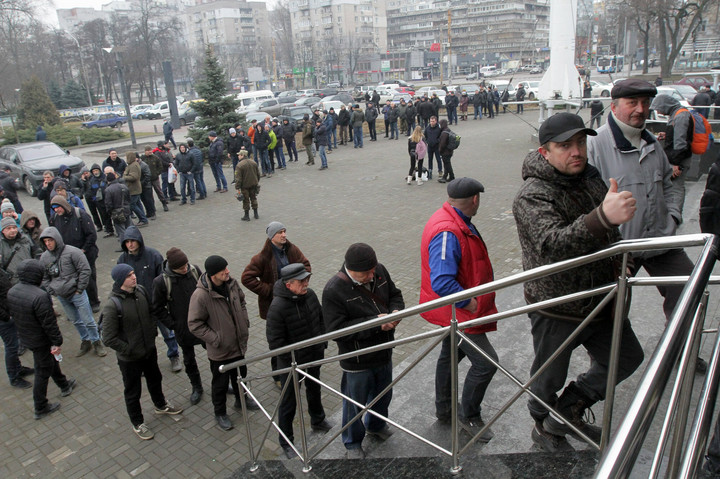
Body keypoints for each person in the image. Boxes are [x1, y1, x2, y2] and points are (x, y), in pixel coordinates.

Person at [513, 112, 644, 452]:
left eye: (581, 143)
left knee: (626, 357)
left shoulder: (591, 177)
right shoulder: (532, 195)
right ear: (545, 152)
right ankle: (542, 422)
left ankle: (567, 409)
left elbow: (607, 234)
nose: (577, 152)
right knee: (548, 377)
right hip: (558, 307)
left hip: (601, 298)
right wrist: (603, 217)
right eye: (565, 146)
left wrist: (619, 259)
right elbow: (551, 244)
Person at [587, 79, 705, 371]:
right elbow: (585, 201)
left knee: (690, 290)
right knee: (611, 311)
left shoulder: (652, 142)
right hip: (620, 248)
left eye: (644, 103)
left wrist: (674, 217)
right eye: (632, 103)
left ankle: (679, 350)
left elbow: (671, 183)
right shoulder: (596, 145)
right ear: (614, 106)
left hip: (659, 240)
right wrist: (606, 244)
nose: (640, 110)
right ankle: (602, 368)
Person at [420, 178, 499, 442]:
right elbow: (441, 281)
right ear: (475, 199)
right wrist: (470, 303)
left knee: (449, 355)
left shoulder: (453, 220)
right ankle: (469, 415)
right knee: (486, 363)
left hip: (455, 314)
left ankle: (444, 410)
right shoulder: (448, 230)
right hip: (460, 314)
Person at [322, 243, 405, 459]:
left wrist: (396, 310)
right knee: (354, 405)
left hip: (383, 351)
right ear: (350, 269)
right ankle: (352, 443)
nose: (371, 276)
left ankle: (376, 425)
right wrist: (375, 324)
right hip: (357, 362)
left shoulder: (379, 271)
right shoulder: (333, 290)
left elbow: (395, 295)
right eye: (365, 273)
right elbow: (336, 330)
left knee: (383, 396)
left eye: (373, 270)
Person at [102, 264, 183, 440]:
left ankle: (160, 405)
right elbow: (108, 338)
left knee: (155, 379)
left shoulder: (141, 291)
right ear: (120, 280)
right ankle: (137, 422)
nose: (134, 277)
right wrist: (128, 349)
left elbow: (152, 312)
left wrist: (152, 330)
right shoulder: (112, 305)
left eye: (133, 273)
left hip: (148, 350)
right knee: (133, 391)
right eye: (129, 275)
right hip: (130, 359)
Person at [266, 263, 332, 458]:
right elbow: (276, 344)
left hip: (314, 355)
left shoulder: (309, 295)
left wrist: (322, 342)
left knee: (314, 389)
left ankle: (318, 420)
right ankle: (286, 442)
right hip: (292, 365)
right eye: (302, 281)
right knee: (288, 403)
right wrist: (294, 360)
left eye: (307, 279)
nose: (306, 283)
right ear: (288, 284)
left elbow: (320, 319)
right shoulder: (277, 308)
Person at [188, 255, 259, 431]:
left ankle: (241, 399)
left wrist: (244, 321)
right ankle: (220, 412)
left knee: (240, 376)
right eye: (223, 270)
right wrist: (215, 339)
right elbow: (194, 324)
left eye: (226, 267)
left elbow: (241, 301)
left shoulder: (232, 284)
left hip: (238, 345)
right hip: (220, 350)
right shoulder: (201, 296)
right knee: (219, 384)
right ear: (213, 275)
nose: (228, 271)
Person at [242, 222, 310, 384]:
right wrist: (269, 290)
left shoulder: (292, 249)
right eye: (280, 232)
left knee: (295, 335)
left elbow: (306, 264)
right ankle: (278, 375)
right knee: (278, 340)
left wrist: (301, 282)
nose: (284, 235)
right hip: (275, 305)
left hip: (295, 301)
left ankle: (298, 367)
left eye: (285, 231)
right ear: (272, 236)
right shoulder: (262, 257)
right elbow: (246, 278)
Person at [8, 259, 76, 419]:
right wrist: (56, 342)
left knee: (49, 362)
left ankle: (63, 384)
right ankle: (40, 406)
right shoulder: (40, 296)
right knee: (42, 370)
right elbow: (49, 323)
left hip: (27, 337)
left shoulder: (13, 291)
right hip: (40, 340)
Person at [117, 225, 182, 372]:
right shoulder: (122, 259)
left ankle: (174, 355)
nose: (130, 244)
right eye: (127, 242)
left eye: (133, 241)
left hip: (156, 305)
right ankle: (144, 362)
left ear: (139, 240)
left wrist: (163, 301)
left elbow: (163, 279)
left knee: (167, 332)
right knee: (141, 336)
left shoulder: (153, 255)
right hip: (137, 306)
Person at [38, 227, 105, 357]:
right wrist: (53, 291)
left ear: (56, 239)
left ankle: (96, 341)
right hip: (62, 296)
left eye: (50, 240)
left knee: (88, 320)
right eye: (45, 241)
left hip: (77, 293)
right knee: (76, 320)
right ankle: (85, 340)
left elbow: (85, 270)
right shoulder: (44, 258)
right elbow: (44, 277)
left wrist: (79, 289)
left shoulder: (73, 252)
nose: (48, 244)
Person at [152, 248, 205, 406]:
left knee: (215, 354)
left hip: (203, 325)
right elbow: (157, 309)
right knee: (189, 360)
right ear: (172, 267)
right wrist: (174, 325)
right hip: (183, 329)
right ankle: (196, 387)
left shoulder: (195, 271)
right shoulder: (161, 282)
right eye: (181, 267)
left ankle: (222, 382)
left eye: (186, 265)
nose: (185, 269)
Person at [49, 196, 101, 313]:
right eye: (54, 208)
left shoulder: (80, 215)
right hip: (67, 256)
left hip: (86, 253)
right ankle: (78, 303)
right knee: (71, 280)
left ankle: (94, 302)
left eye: (58, 207)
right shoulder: (54, 219)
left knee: (89, 278)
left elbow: (91, 234)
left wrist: (83, 249)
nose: (56, 210)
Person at [651, 94, 696, 219]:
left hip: (679, 161)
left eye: (659, 108)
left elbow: (681, 143)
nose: (658, 111)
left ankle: (675, 217)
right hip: (678, 158)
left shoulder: (680, 116)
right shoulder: (678, 113)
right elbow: (681, 136)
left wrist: (676, 164)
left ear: (665, 105)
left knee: (676, 188)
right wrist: (667, 135)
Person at [0, 263, 34, 389]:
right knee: (12, 347)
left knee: (14, 344)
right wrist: (6, 317)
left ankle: (18, 369)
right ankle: (14, 377)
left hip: (10, 312)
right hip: (4, 320)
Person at [104, 170, 132, 247]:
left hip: (117, 213)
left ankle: (124, 246)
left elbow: (108, 204)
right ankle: (133, 242)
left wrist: (110, 212)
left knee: (121, 230)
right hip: (126, 210)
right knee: (129, 228)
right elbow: (129, 198)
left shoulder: (108, 190)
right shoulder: (124, 186)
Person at [85, 164, 113, 236]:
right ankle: (109, 229)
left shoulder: (105, 177)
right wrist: (95, 199)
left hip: (108, 200)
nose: (95, 172)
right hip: (100, 202)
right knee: (104, 216)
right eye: (94, 171)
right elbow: (91, 191)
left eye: (96, 170)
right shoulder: (92, 180)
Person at [123, 152, 149, 227]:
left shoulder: (133, 166)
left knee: (132, 205)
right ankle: (143, 219)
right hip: (135, 188)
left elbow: (134, 177)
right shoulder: (133, 164)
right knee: (138, 203)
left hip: (133, 189)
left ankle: (143, 219)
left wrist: (124, 176)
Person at [141, 145, 169, 212]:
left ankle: (164, 204)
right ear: (145, 151)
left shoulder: (155, 157)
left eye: (151, 150)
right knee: (149, 195)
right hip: (147, 180)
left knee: (159, 192)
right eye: (148, 150)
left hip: (155, 178)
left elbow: (160, 166)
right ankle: (152, 207)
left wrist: (157, 173)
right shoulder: (142, 158)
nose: (150, 151)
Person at [234, 150, 260, 221]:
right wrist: (256, 181)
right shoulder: (253, 162)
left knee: (245, 200)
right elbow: (258, 174)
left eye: (239, 155)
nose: (238, 156)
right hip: (254, 184)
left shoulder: (239, 165)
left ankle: (246, 215)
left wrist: (237, 187)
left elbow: (238, 178)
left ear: (242, 155)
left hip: (244, 186)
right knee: (253, 198)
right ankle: (256, 214)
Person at [437, 119, 455, 184]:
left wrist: (440, 150)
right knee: (447, 164)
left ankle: (451, 176)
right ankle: (446, 176)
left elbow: (442, 143)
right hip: (449, 151)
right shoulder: (448, 130)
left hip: (445, 152)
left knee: (447, 165)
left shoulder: (444, 133)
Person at [425, 116, 442, 180]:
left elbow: (441, 136)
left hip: (437, 146)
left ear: (436, 121)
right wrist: (427, 141)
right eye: (431, 121)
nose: (431, 123)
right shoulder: (427, 128)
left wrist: (437, 141)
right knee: (430, 159)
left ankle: (440, 171)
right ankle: (430, 171)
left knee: (438, 159)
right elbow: (425, 135)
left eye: (433, 121)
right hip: (430, 146)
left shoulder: (439, 128)